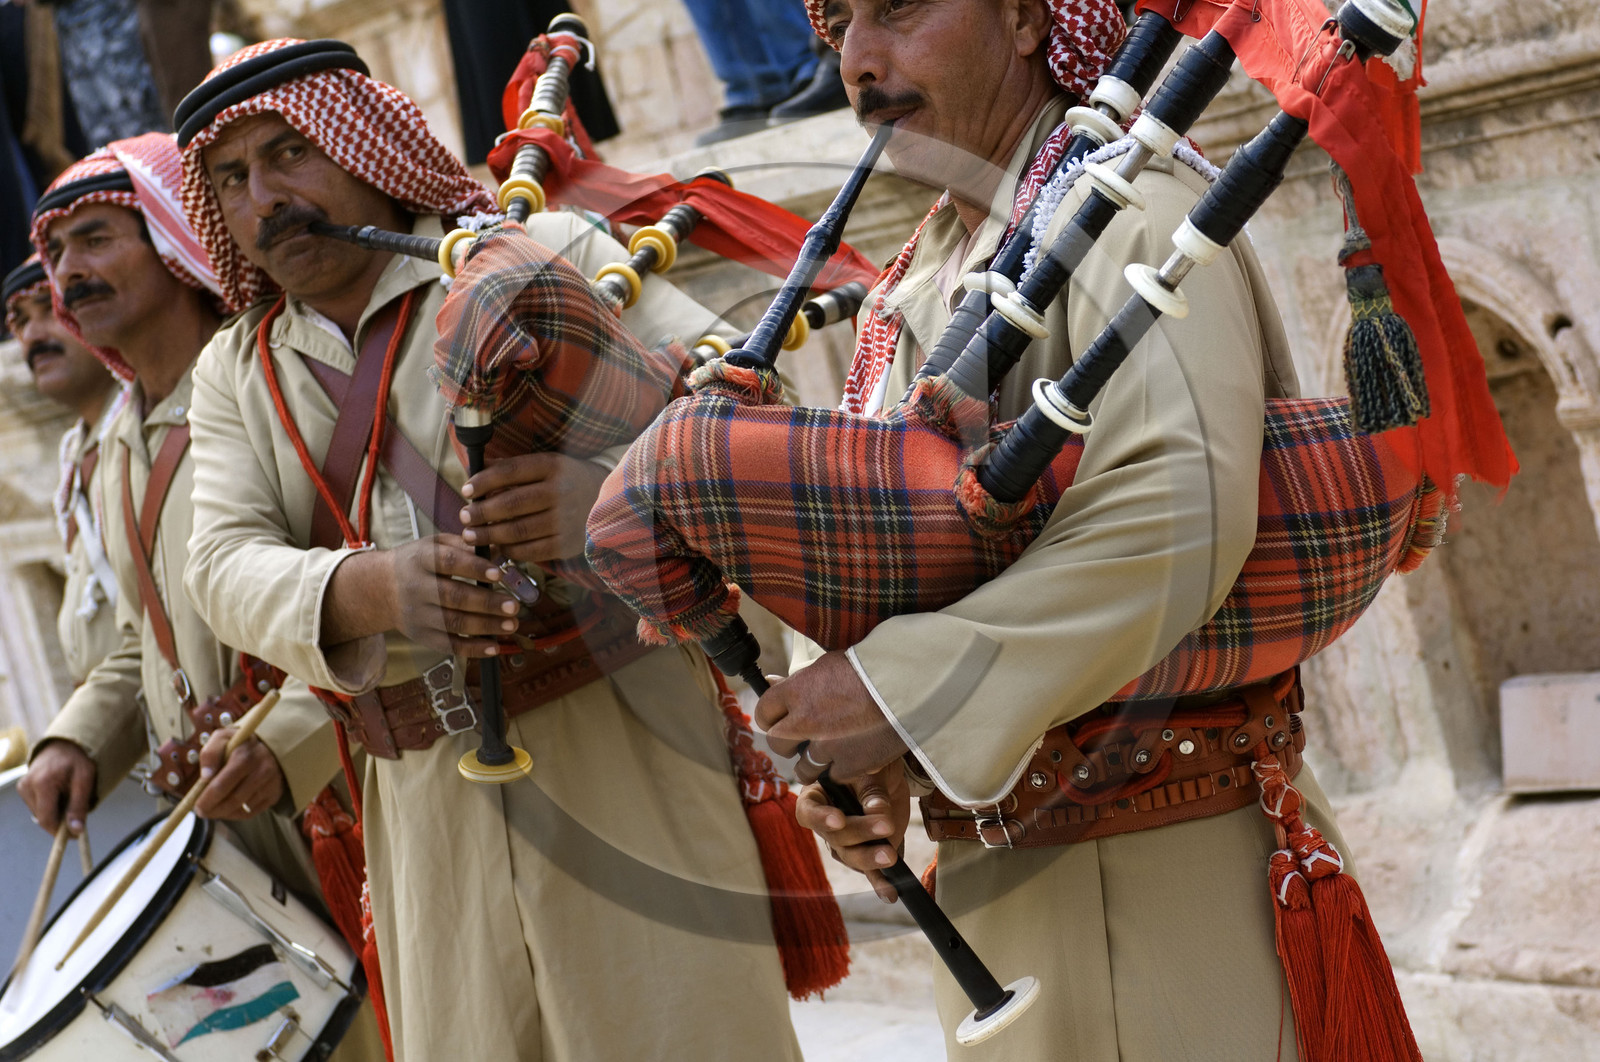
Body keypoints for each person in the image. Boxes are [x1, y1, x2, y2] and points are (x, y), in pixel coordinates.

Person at [752, 0, 1373, 1057]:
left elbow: (1169, 520)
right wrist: (860, 746)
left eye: (897, 9)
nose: (857, 59)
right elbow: (884, 531)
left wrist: (895, 700)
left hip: (1162, 882)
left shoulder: (1141, 217)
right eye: (838, 22)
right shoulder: (918, 276)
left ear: (1027, 18)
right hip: (997, 890)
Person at [175, 39, 807, 1060]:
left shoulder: (540, 245)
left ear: (364, 143)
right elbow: (219, 563)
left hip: (625, 742)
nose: (264, 199)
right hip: (427, 813)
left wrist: (605, 498)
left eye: (288, 153)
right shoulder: (235, 372)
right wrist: (367, 590)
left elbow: (744, 406)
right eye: (231, 180)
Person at [16, 134, 383, 1062]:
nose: (70, 274)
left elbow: (371, 579)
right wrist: (77, 736)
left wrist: (290, 736)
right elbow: (147, 640)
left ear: (176, 242)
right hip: (232, 827)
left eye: (96, 239)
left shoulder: (274, 382)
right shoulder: (114, 443)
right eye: (57, 255)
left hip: (352, 793)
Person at [4, 254, 124, 686]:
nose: (33, 335)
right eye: (19, 319)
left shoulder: (157, 428)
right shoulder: (76, 455)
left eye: (49, 310)